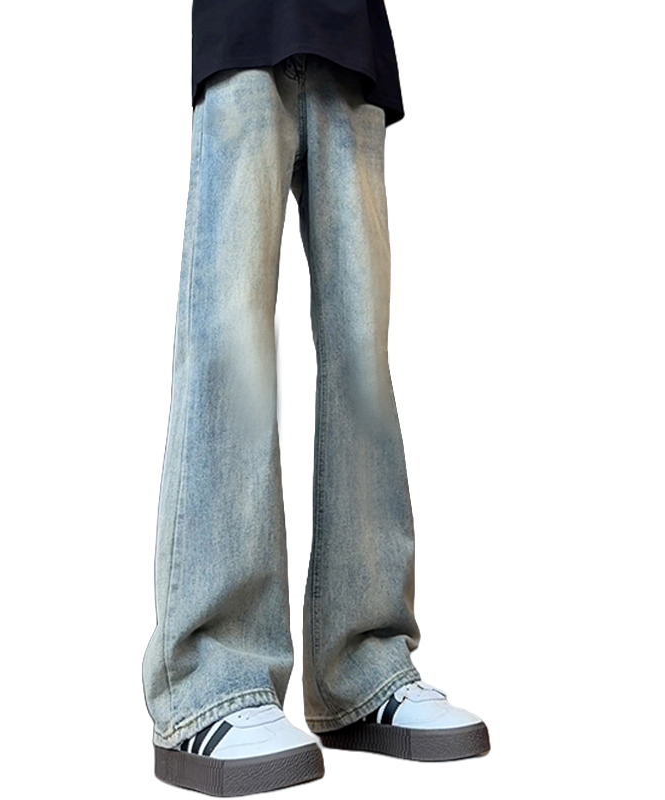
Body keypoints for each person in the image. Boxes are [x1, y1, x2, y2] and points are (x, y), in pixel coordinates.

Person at [142, 3, 490, 794]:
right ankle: (210, 682)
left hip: (353, 43)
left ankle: (363, 667)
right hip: (246, 29)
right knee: (232, 345)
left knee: (362, 366)